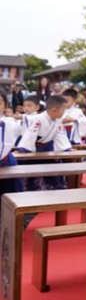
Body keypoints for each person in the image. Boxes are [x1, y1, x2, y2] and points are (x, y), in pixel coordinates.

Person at [16, 95, 71, 193]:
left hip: (48, 148)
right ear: (54, 110)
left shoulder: (57, 121)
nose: (64, 112)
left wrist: (66, 147)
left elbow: (60, 135)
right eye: (63, 110)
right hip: (34, 149)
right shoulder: (38, 119)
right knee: (33, 175)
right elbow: (30, 134)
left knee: (54, 171)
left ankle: (54, 192)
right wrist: (25, 148)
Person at [0, 93, 22, 227]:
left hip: (5, 162)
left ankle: (6, 225)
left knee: (7, 194)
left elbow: (18, 129)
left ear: (5, 106)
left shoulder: (9, 122)